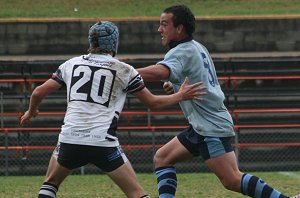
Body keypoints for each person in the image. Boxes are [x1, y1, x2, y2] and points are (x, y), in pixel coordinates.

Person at [19, 21, 206, 198]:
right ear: (114, 43)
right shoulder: (124, 70)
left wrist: (31, 112)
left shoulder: (71, 64)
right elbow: (154, 103)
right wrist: (180, 95)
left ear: (90, 41)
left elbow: (38, 92)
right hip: (103, 142)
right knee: (136, 193)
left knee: (50, 184)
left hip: (70, 138)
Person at [137, 4, 299, 198]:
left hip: (210, 127)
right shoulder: (197, 47)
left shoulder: (182, 51)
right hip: (200, 126)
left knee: (232, 179)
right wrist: (176, 86)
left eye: (164, 24)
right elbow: (196, 78)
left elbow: (161, 71)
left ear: (179, 28)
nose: (159, 29)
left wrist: (125, 72)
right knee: (162, 157)